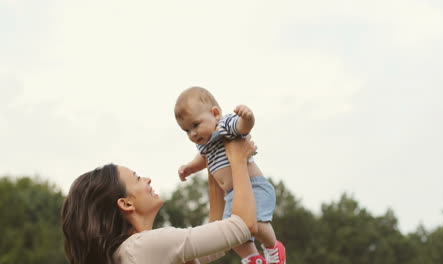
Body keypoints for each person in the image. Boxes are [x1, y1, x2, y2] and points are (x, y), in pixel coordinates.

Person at [61, 136, 258, 264]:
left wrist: (213, 164)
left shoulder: (130, 253)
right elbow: (242, 227)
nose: (147, 179)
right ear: (126, 203)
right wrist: (237, 158)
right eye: (137, 178)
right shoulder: (142, 247)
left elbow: (219, 240)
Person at [174, 87, 286, 264]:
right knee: (231, 234)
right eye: (186, 130)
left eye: (195, 125)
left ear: (216, 113)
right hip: (232, 196)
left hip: (253, 187)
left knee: (255, 225)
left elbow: (241, 128)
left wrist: (247, 118)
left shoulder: (223, 126)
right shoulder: (203, 143)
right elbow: (203, 159)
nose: (193, 134)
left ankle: (273, 248)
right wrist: (190, 168)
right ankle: (253, 259)